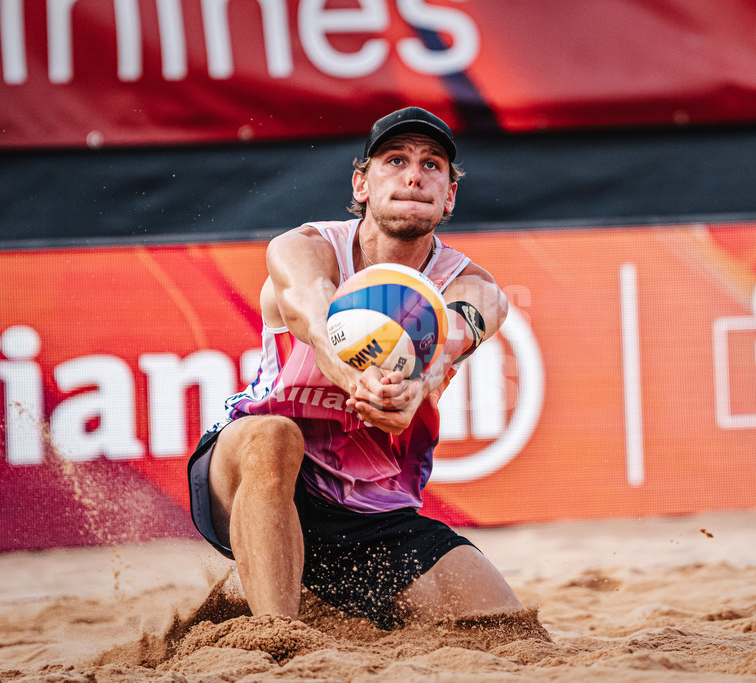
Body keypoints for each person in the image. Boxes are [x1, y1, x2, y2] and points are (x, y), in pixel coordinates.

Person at [187, 106, 522, 629]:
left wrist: (415, 389)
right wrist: (354, 379)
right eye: (396, 159)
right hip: (257, 474)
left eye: (433, 165)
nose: (415, 174)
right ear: (361, 184)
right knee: (273, 437)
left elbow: (449, 344)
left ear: (450, 195)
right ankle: (277, 636)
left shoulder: (475, 287)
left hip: (366, 506)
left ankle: (285, 579)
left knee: (505, 627)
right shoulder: (304, 248)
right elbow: (316, 315)